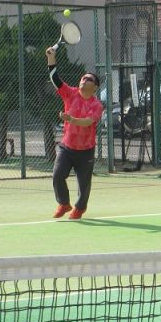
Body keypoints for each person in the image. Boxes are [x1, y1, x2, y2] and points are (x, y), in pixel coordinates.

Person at [46, 46, 103, 220]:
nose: (84, 79)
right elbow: (55, 78)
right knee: (57, 176)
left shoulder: (97, 105)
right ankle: (64, 203)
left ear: (95, 87)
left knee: (84, 185)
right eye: (83, 77)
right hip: (67, 147)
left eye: (89, 79)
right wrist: (51, 58)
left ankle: (79, 207)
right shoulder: (70, 93)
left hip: (86, 150)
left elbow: (88, 122)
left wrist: (71, 119)